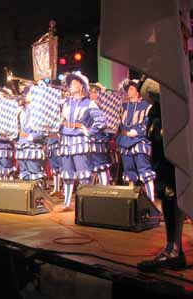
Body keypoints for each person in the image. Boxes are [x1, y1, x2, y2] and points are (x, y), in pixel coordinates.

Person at [137, 84, 187, 272]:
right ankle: (172, 248)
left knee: (174, 199)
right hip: (162, 161)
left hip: (173, 162)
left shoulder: (174, 107)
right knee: (168, 200)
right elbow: (152, 135)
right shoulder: (156, 109)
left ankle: (175, 250)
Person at [58, 72, 106, 211]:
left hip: (80, 141)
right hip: (66, 140)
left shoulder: (89, 103)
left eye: (74, 83)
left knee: (84, 174)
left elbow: (101, 122)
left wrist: (89, 132)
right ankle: (67, 204)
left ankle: (86, 204)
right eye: (70, 83)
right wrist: (59, 127)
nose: (71, 86)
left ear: (81, 86)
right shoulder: (65, 102)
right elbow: (58, 118)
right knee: (67, 174)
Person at [116, 79, 156, 202]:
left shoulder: (147, 106)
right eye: (127, 89)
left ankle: (151, 201)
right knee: (129, 172)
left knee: (145, 171)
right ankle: (131, 200)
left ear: (138, 91)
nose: (128, 91)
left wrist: (138, 131)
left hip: (139, 140)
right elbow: (116, 123)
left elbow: (148, 123)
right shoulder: (122, 106)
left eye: (131, 89)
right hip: (124, 140)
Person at [15, 87, 46, 183]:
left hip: (33, 145)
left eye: (28, 94)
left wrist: (33, 136)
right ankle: (27, 197)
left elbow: (44, 129)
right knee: (24, 173)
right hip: (21, 144)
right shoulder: (20, 111)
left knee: (35, 173)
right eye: (25, 94)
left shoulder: (39, 110)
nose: (25, 96)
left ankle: (38, 197)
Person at [89, 83, 112, 185]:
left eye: (95, 92)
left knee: (101, 165)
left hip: (99, 140)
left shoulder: (104, 107)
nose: (92, 94)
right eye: (91, 92)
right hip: (88, 140)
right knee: (92, 166)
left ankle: (105, 191)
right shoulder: (87, 104)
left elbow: (108, 124)